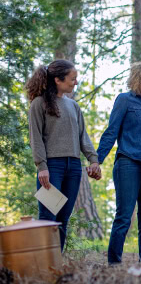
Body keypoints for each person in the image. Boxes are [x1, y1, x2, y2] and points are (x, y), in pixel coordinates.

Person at [26, 59, 102, 252]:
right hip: (52, 168)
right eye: (72, 79)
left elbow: (83, 136)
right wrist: (42, 166)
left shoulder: (73, 106)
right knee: (48, 217)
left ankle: (57, 264)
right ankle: (43, 263)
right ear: (58, 80)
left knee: (63, 218)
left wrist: (93, 159)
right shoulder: (38, 104)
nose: (75, 82)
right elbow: (35, 138)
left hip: (74, 168)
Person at [97, 61, 141, 264]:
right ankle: (114, 262)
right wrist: (96, 160)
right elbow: (111, 131)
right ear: (138, 80)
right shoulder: (125, 100)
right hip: (129, 163)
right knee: (124, 215)